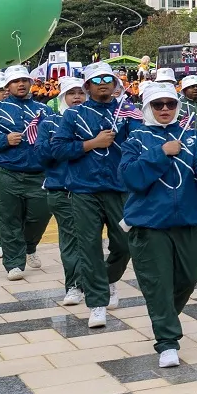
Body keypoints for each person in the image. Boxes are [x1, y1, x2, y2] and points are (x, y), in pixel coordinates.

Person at [119, 82, 197, 367]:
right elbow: (130, 177)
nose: (165, 109)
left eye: (170, 104)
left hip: (188, 220)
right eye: (158, 105)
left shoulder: (192, 136)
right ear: (148, 107)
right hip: (149, 224)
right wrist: (161, 153)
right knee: (158, 283)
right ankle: (167, 341)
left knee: (187, 278)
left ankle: (163, 317)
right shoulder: (136, 138)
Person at [50, 63, 136, 324]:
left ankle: (108, 278)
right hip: (84, 189)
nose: (102, 83)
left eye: (107, 79)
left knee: (125, 243)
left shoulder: (127, 114)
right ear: (87, 86)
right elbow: (57, 149)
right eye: (96, 79)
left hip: (119, 188)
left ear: (114, 84)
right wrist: (91, 144)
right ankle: (97, 303)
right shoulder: (74, 115)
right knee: (89, 246)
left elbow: (141, 142)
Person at [0, 65, 54, 280]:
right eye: (16, 81)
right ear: (7, 86)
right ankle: (14, 263)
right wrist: (3, 140)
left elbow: (58, 134)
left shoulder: (44, 110)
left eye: (24, 80)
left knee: (40, 215)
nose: (21, 84)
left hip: (38, 174)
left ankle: (29, 246)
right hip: (5, 172)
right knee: (8, 219)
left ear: (30, 83)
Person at [40, 77, 87, 306]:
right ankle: (75, 285)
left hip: (92, 188)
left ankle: (97, 280)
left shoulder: (95, 120)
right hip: (61, 189)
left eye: (81, 92)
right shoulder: (49, 123)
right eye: (71, 93)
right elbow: (43, 155)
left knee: (91, 239)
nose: (77, 97)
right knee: (71, 238)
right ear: (62, 98)